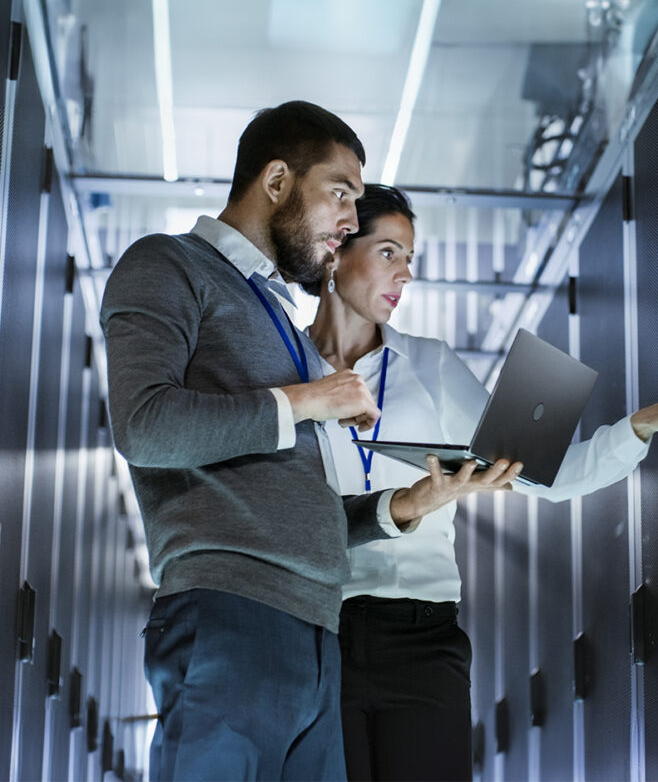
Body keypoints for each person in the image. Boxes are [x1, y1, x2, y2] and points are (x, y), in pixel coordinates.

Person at [100, 104, 522, 782]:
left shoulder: (284, 327)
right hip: (229, 616)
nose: (351, 221)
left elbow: (300, 505)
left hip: (318, 635)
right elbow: (145, 426)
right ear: (276, 181)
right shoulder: (167, 264)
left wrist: (404, 507)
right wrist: (310, 399)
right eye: (341, 194)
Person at [304, 183, 658, 782]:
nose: (404, 274)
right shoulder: (286, 372)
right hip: (314, 633)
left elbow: (546, 475)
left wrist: (644, 424)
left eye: (410, 259)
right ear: (335, 254)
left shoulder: (430, 365)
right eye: (388, 252)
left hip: (422, 637)